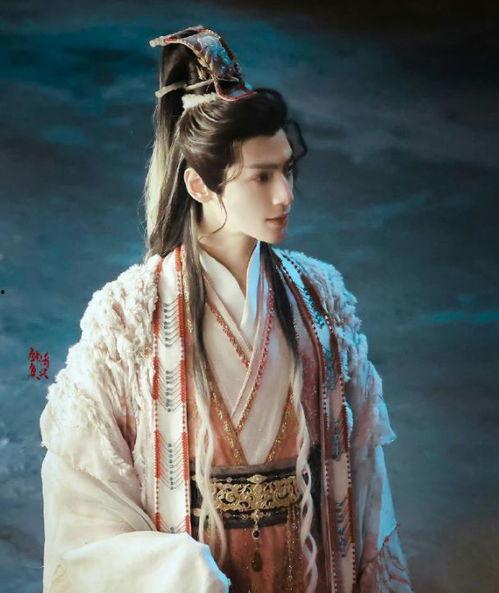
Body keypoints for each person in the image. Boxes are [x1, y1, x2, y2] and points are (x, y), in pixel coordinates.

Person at [39, 25, 414, 593]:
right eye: (261, 177)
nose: (285, 195)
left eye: (287, 170)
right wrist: (180, 573)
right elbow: (86, 492)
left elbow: (364, 475)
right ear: (198, 185)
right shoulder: (129, 315)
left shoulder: (320, 295)